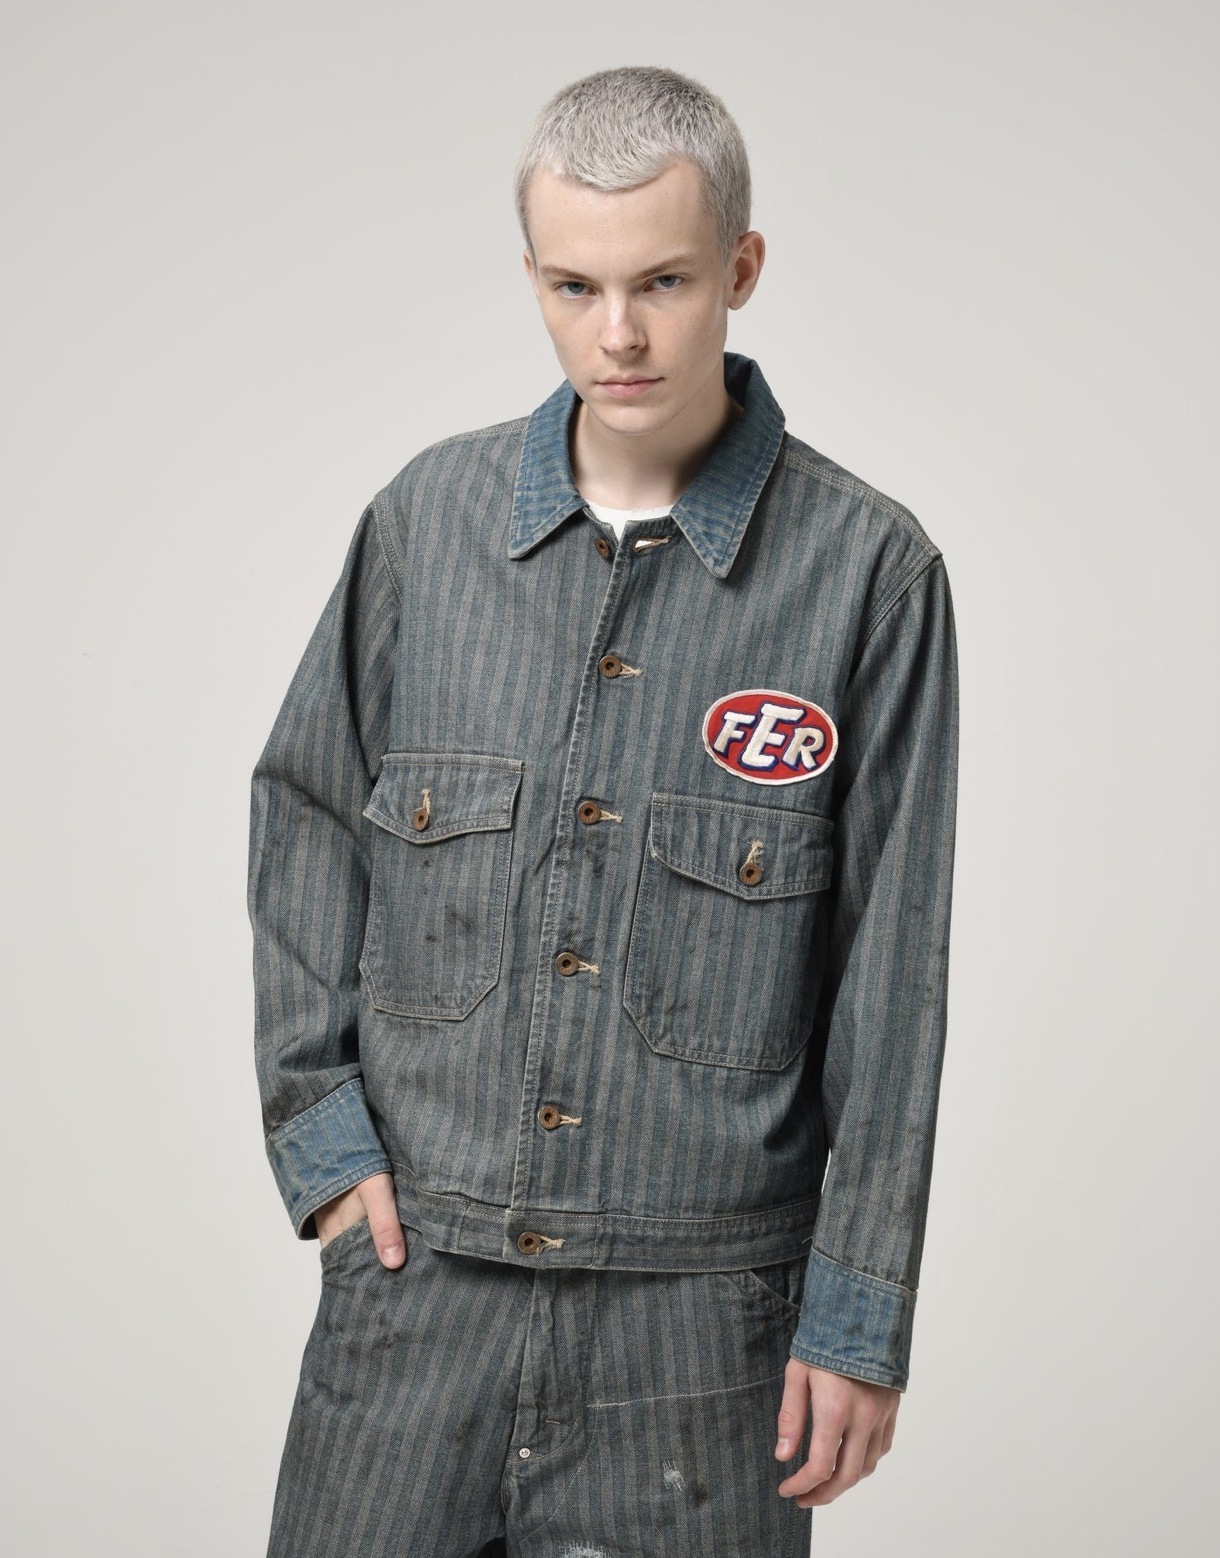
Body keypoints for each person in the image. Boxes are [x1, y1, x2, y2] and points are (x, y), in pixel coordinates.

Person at [247, 63, 960, 1557]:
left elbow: (893, 974)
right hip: (418, 1297)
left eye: (663, 282)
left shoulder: (868, 575)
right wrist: (327, 1150)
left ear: (741, 270)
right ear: (532, 275)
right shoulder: (423, 530)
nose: (617, 334)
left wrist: (858, 1313)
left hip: (701, 1343)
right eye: (575, 286)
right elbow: (307, 812)